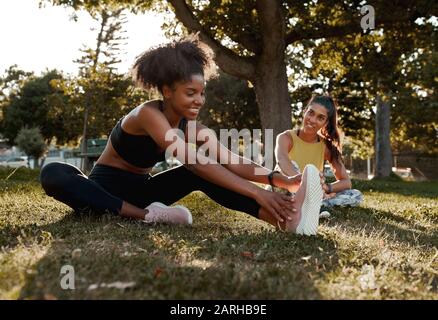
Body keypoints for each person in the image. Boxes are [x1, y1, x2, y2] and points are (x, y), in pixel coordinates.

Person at [40, 36, 325, 235]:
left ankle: (286, 221)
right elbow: (192, 160)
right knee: (54, 172)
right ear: (167, 91)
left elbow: (231, 161)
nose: (199, 100)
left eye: (201, 93)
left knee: (203, 174)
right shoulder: (147, 114)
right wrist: (255, 192)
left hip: (144, 193)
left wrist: (279, 180)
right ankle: (149, 217)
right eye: (190, 93)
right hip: (103, 193)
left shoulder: (194, 128)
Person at [272, 95, 363, 211]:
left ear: (326, 123)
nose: (313, 120)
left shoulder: (327, 147)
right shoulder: (286, 137)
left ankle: (316, 206)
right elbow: (282, 161)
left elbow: (346, 182)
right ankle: (311, 206)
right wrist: (307, 184)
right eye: (311, 113)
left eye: (320, 118)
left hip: (312, 194)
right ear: (305, 112)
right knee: (291, 164)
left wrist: (325, 187)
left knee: (355, 195)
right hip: (284, 189)